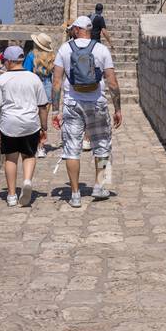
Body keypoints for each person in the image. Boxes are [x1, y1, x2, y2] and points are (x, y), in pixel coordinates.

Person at [51, 16, 122, 208]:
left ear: (76, 29)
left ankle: (75, 194)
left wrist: (55, 110)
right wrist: (118, 109)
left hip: (72, 104)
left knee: (72, 149)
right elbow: (112, 82)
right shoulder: (101, 49)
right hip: (97, 103)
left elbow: (56, 82)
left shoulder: (65, 49)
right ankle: (99, 186)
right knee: (102, 145)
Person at [0, 46, 49, 207]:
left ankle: (12, 195)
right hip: (30, 123)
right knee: (29, 155)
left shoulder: (2, 79)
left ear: (8, 61)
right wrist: (44, 128)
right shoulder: (34, 78)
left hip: (9, 124)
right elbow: (43, 106)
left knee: (11, 158)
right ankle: (27, 181)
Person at [26, 33, 56, 155]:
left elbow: (26, 73)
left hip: (34, 86)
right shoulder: (52, 56)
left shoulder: (31, 55)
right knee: (43, 118)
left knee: (34, 117)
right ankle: (41, 147)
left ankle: (33, 144)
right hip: (48, 87)